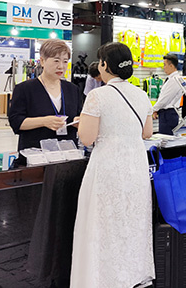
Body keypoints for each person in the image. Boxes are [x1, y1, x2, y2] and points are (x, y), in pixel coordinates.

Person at [72, 42, 154, 287]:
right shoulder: (141, 94)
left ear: (105, 65)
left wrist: (81, 124)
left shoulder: (97, 95)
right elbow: (147, 132)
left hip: (107, 165)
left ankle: (102, 279)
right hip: (136, 165)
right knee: (132, 222)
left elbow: (87, 138)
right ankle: (131, 275)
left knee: (102, 223)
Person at [8, 39, 82, 163]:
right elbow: (16, 122)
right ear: (42, 61)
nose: (61, 66)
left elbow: (76, 115)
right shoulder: (25, 89)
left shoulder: (72, 89)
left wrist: (77, 121)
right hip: (36, 156)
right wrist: (44, 121)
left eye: (65, 61)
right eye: (56, 61)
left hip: (67, 156)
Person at [152, 53, 183, 135]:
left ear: (171, 66)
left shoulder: (174, 80)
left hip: (168, 114)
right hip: (166, 113)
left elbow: (165, 98)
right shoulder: (171, 79)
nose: (163, 67)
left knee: (166, 138)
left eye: (165, 65)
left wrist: (154, 110)